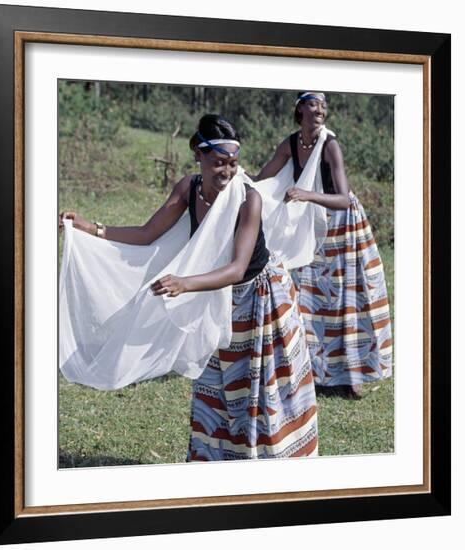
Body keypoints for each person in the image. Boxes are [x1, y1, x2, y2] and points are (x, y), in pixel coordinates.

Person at [60, 114, 318, 461]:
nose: (226, 173)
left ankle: (267, 466)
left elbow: (238, 267)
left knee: (259, 390)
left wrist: (185, 283)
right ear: (199, 154)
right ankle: (213, 461)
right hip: (213, 298)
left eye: (233, 164)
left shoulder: (247, 199)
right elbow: (146, 233)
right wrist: (92, 228)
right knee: (217, 383)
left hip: (258, 299)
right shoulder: (188, 188)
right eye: (218, 164)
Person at [256, 92, 393, 399]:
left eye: (323, 106)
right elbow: (261, 179)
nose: (320, 110)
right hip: (310, 227)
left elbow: (344, 199)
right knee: (311, 298)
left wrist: (307, 195)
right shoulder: (290, 144)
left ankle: (352, 375)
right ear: (300, 109)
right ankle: (314, 371)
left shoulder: (330, 145)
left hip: (341, 227)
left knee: (346, 301)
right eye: (313, 104)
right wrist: (239, 184)